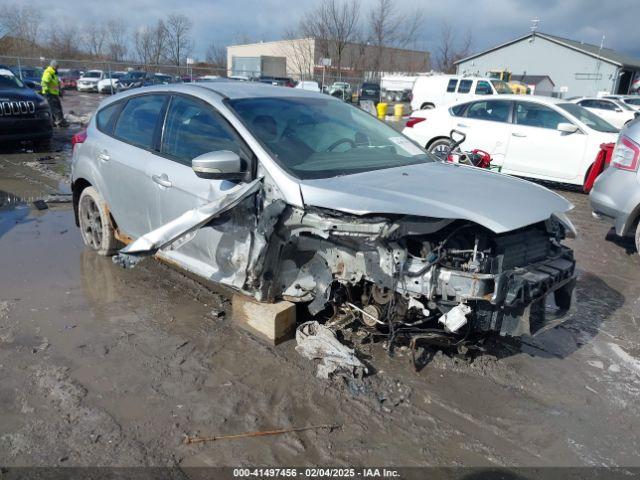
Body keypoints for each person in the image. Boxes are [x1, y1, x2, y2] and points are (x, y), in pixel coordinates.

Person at [41, 60, 67, 127]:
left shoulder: (54, 73)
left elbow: (55, 84)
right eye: (57, 66)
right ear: (54, 66)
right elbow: (44, 82)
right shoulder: (48, 72)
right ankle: (60, 122)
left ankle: (53, 122)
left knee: (55, 108)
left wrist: (59, 91)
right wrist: (47, 91)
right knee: (56, 108)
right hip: (49, 94)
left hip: (54, 93)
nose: (58, 68)